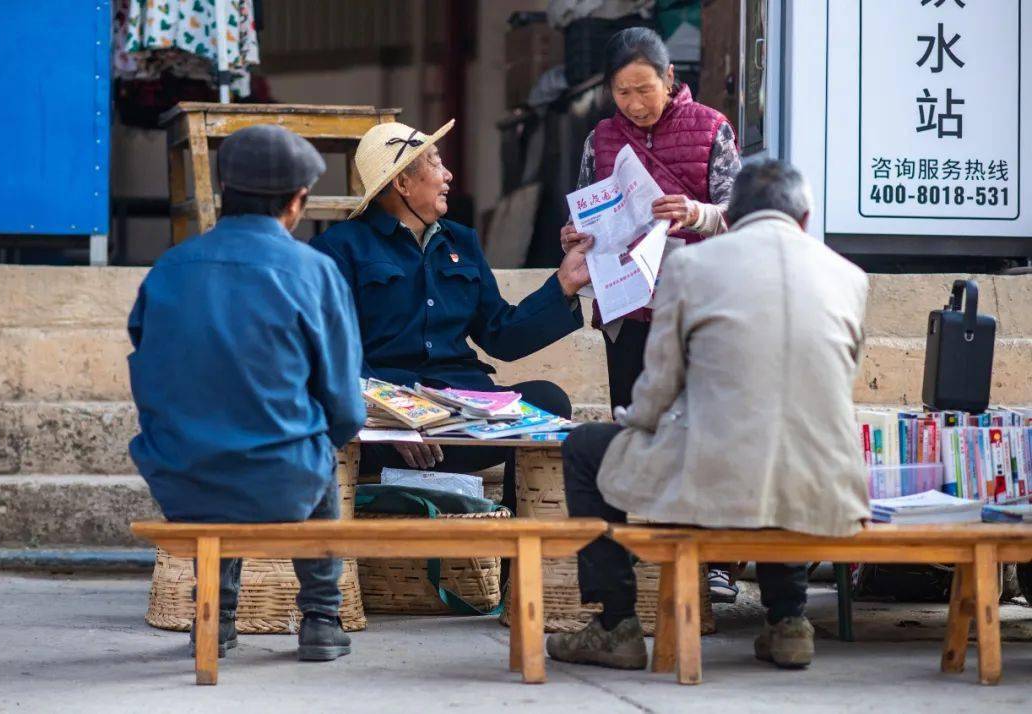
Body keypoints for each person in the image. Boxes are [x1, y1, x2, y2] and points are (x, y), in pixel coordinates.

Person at [546, 160, 871, 671]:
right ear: (804, 219)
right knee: (779, 444)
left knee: (585, 448)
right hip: (829, 480)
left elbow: (658, 385)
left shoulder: (691, 267)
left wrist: (636, 420)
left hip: (718, 477)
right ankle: (788, 621)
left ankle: (615, 626)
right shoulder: (850, 277)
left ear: (732, 215)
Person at [127, 125, 365, 662]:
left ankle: (217, 616)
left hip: (180, 483)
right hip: (284, 485)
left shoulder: (168, 269)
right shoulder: (315, 272)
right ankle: (323, 619)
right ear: (297, 201)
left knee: (222, 435)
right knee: (320, 448)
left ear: (223, 192)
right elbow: (346, 411)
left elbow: (151, 370)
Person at [312, 120, 591, 509]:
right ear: (402, 183)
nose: (448, 175)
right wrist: (391, 416)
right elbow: (333, 352)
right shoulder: (340, 247)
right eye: (434, 163)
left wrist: (563, 285)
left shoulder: (461, 240)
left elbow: (501, 334)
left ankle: (512, 562)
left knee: (548, 401)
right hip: (388, 427)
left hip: (463, 415)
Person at [561, 27, 743, 602]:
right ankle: (641, 550)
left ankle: (714, 560)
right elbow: (587, 209)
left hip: (696, 310)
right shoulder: (601, 138)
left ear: (670, 79)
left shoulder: (712, 128)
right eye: (622, 94)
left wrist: (697, 212)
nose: (635, 105)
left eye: (645, 89)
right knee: (635, 430)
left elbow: (744, 217)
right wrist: (576, 236)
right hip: (628, 307)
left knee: (703, 432)